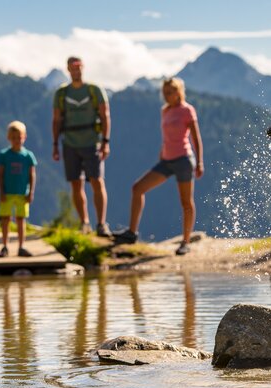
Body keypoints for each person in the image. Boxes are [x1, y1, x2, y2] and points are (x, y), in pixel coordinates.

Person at [113, 78, 203, 255]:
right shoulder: (165, 111)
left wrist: (199, 162)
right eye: (164, 92)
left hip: (184, 160)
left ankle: (185, 243)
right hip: (166, 161)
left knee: (186, 202)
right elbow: (167, 136)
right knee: (138, 188)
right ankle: (131, 233)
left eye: (170, 92)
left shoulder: (187, 110)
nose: (167, 95)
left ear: (178, 92)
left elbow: (195, 138)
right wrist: (163, 151)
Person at [52, 56, 112, 238]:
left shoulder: (94, 90)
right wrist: (55, 144)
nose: (75, 70)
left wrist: (106, 141)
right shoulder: (61, 93)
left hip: (92, 143)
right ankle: (84, 223)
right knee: (76, 184)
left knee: (97, 181)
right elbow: (56, 120)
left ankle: (101, 224)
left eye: (78, 66)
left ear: (82, 68)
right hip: (70, 143)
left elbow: (105, 115)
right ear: (68, 69)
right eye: (72, 67)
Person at [0, 121, 37, 258]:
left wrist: (31, 192)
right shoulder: (4, 155)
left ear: (24, 137)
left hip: (22, 193)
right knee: (5, 219)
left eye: (19, 137)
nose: (16, 140)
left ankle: (21, 246)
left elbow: (32, 175)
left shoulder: (28, 156)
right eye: (13, 138)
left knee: (21, 220)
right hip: (7, 193)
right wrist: (1, 191)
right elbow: (0, 175)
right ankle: (5, 246)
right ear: (9, 138)